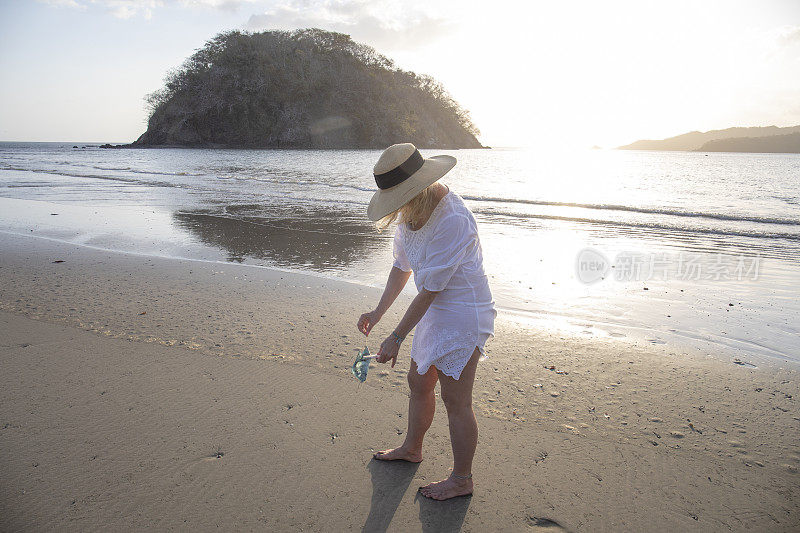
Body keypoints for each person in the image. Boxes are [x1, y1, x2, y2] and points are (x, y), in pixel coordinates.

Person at [357, 143, 496, 501]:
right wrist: (377, 313)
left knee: (455, 398)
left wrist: (396, 337)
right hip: (433, 307)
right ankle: (412, 448)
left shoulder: (453, 218)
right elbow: (401, 268)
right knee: (418, 381)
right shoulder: (411, 214)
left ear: (416, 188)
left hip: (464, 310)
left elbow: (431, 289)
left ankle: (462, 479)